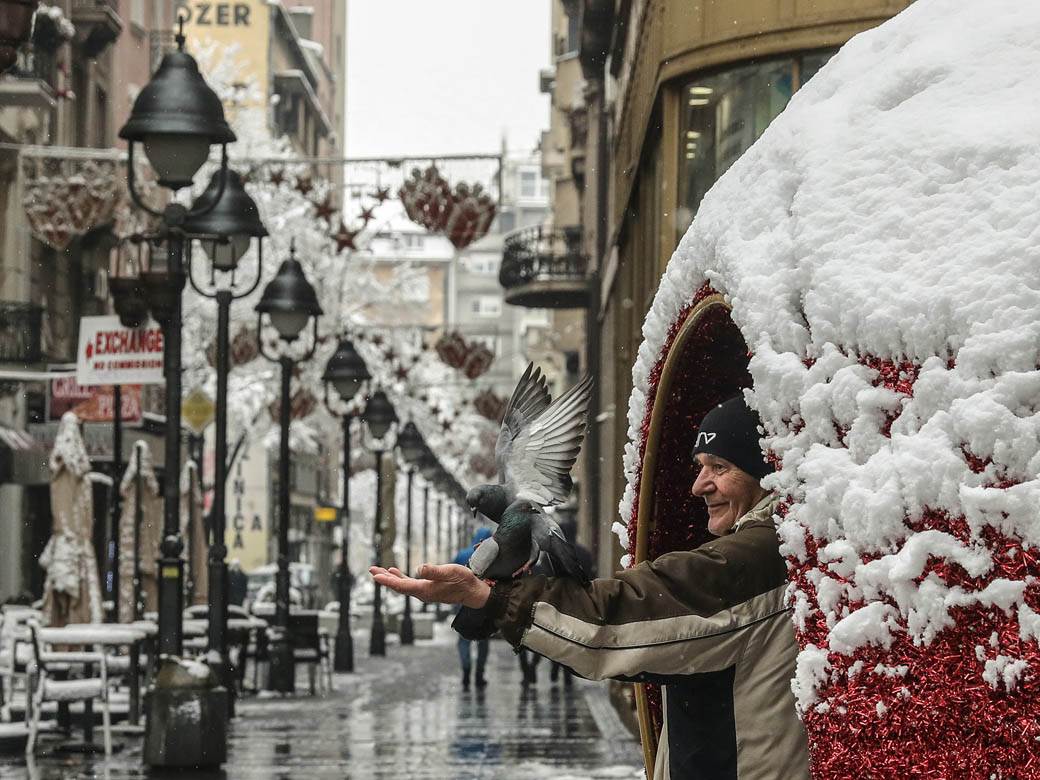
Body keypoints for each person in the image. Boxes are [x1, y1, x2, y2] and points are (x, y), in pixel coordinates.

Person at [372, 396, 811, 779]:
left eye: (720, 467)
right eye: (700, 468)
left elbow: (612, 620)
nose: (699, 485)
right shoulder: (781, 546)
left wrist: (487, 596)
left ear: (765, 470)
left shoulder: (753, 557)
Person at [548, 517, 594, 688]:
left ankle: (555, 667)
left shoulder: (555, 553)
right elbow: (590, 576)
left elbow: (548, 576)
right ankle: (567, 672)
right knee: (571, 638)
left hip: (559, 600)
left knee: (558, 636)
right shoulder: (584, 553)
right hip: (578, 601)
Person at [452, 527, 493, 691]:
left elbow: (452, 577)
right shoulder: (492, 557)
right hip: (483, 605)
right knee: (483, 641)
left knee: (463, 640)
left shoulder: (462, 554)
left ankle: (466, 671)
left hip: (463, 605)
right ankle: (479, 675)